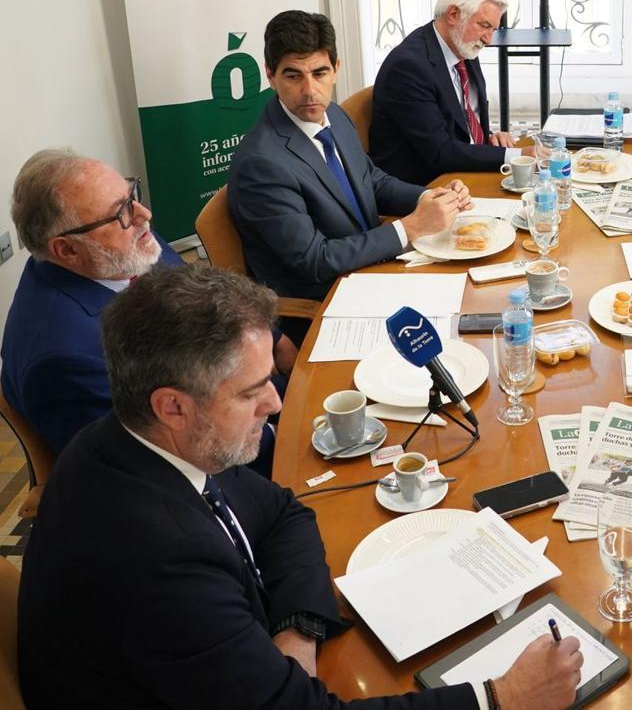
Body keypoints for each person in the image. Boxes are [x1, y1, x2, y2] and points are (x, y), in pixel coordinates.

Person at [18, 266, 583, 710]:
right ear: (173, 404)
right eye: (252, 391)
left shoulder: (146, 438)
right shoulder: (156, 562)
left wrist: (295, 632)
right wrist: (502, 699)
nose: (276, 403)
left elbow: (283, 512)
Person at [0, 150, 293, 470]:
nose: (144, 214)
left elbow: (202, 297)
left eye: (131, 196)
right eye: (121, 211)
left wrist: (274, 338)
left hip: (232, 390)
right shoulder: (60, 358)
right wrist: (286, 435)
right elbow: (157, 460)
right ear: (66, 249)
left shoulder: (123, 247)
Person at [228, 10, 471, 337]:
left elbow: (371, 179)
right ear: (270, 77)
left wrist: (431, 199)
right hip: (327, 305)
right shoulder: (261, 165)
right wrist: (410, 227)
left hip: (372, 272)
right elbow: (316, 260)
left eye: (319, 72)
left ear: (336, 69)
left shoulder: (334, 116)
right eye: (293, 76)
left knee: (470, 299)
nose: (310, 91)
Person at [371, 0, 519, 185]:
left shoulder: (462, 46)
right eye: (484, 25)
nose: (488, 39)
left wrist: (491, 139)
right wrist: (513, 156)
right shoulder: (408, 67)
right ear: (453, 14)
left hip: (461, 174)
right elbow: (440, 152)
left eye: (492, 29)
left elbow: (457, 121)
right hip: (426, 187)